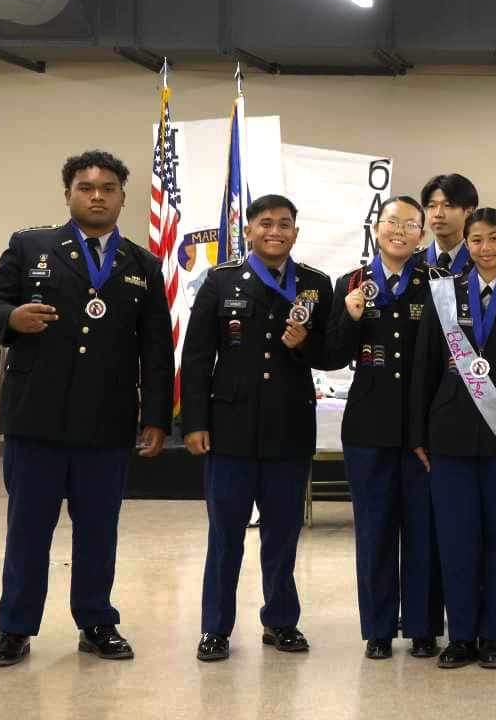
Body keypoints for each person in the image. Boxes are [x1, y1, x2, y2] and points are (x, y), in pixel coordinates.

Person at [0, 150, 173, 668]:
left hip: (105, 425)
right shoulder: (30, 246)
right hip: (35, 419)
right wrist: (12, 318)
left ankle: (96, 622)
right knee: (27, 532)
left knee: (98, 532)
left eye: (109, 187)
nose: (98, 195)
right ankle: (14, 628)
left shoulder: (142, 264)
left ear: (123, 197)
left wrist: (155, 417)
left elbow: (156, 348)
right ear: (69, 194)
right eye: (86, 187)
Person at [182, 194, 337, 662]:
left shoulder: (315, 284)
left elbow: (332, 354)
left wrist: (305, 344)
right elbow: (195, 358)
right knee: (225, 536)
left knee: (283, 534)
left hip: (288, 429)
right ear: (248, 230)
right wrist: (193, 423)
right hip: (229, 430)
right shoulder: (222, 279)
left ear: (296, 231)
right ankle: (215, 628)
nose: (275, 231)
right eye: (265, 223)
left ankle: (281, 621)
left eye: (284, 224)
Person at [408, 208, 496, 670]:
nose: (485, 248)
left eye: (493, 238)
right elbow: (423, 368)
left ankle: (493, 635)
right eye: (476, 240)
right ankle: (461, 636)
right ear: (466, 244)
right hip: (449, 437)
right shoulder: (444, 296)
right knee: (455, 540)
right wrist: (418, 433)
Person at [326, 195, 444, 660]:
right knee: (374, 531)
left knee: (423, 530)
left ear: (422, 234)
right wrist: (351, 317)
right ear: (377, 227)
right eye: (392, 222)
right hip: (368, 428)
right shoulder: (351, 283)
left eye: (410, 225)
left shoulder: (436, 282)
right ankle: (376, 627)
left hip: (421, 431)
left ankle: (423, 625)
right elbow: (332, 355)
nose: (400, 231)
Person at [421, 173, 479, 274]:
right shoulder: (412, 262)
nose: (438, 214)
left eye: (448, 205)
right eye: (432, 206)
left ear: (469, 212)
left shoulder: (482, 263)